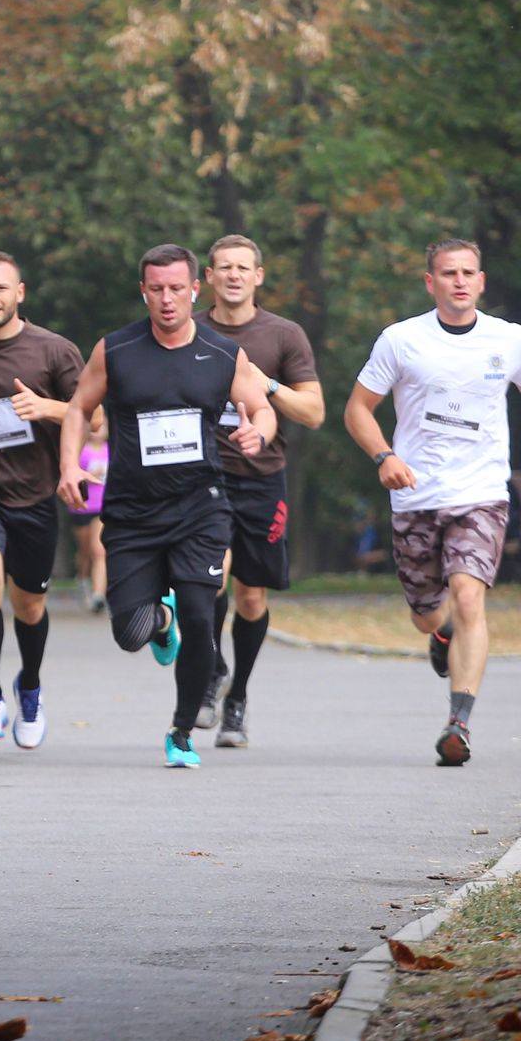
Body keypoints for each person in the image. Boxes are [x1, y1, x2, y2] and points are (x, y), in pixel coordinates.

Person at [343, 237, 521, 766]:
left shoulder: (510, 340)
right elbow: (358, 409)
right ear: (431, 282)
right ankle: (442, 634)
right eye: (448, 273)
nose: (460, 281)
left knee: (470, 596)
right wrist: (384, 456)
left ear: (482, 281)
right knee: (428, 614)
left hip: (481, 494)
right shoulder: (401, 340)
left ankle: (459, 723)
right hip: (415, 495)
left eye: (469, 272)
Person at [59, 244, 275, 769]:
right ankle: (158, 621)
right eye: (156, 289)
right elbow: (77, 408)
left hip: (201, 505)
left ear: (194, 289)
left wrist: (257, 434)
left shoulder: (223, 353)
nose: (167, 299)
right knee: (129, 633)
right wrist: (69, 465)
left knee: (202, 615)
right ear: (144, 291)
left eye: (177, 288)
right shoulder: (116, 349)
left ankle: (181, 732)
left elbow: (262, 407)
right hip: (131, 511)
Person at [193, 235, 324, 748]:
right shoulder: (190, 330)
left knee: (250, 596)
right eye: (223, 267)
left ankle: (237, 696)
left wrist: (263, 384)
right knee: (207, 581)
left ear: (258, 276)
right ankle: (211, 670)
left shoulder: (283, 334)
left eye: (242, 268)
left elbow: (313, 412)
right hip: (202, 477)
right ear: (207, 277)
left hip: (262, 476)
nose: (233, 276)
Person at [0, 252, 83, 748]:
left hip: (35, 495)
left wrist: (47, 407)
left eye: (1, 289)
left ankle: (28, 685)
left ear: (20, 293)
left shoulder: (54, 351)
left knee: (29, 605)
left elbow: (95, 419)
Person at [69, 408, 109, 612]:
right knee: (85, 552)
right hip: (82, 506)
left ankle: (98, 595)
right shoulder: (81, 450)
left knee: (99, 550)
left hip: (102, 507)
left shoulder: (110, 450)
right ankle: (83, 579)